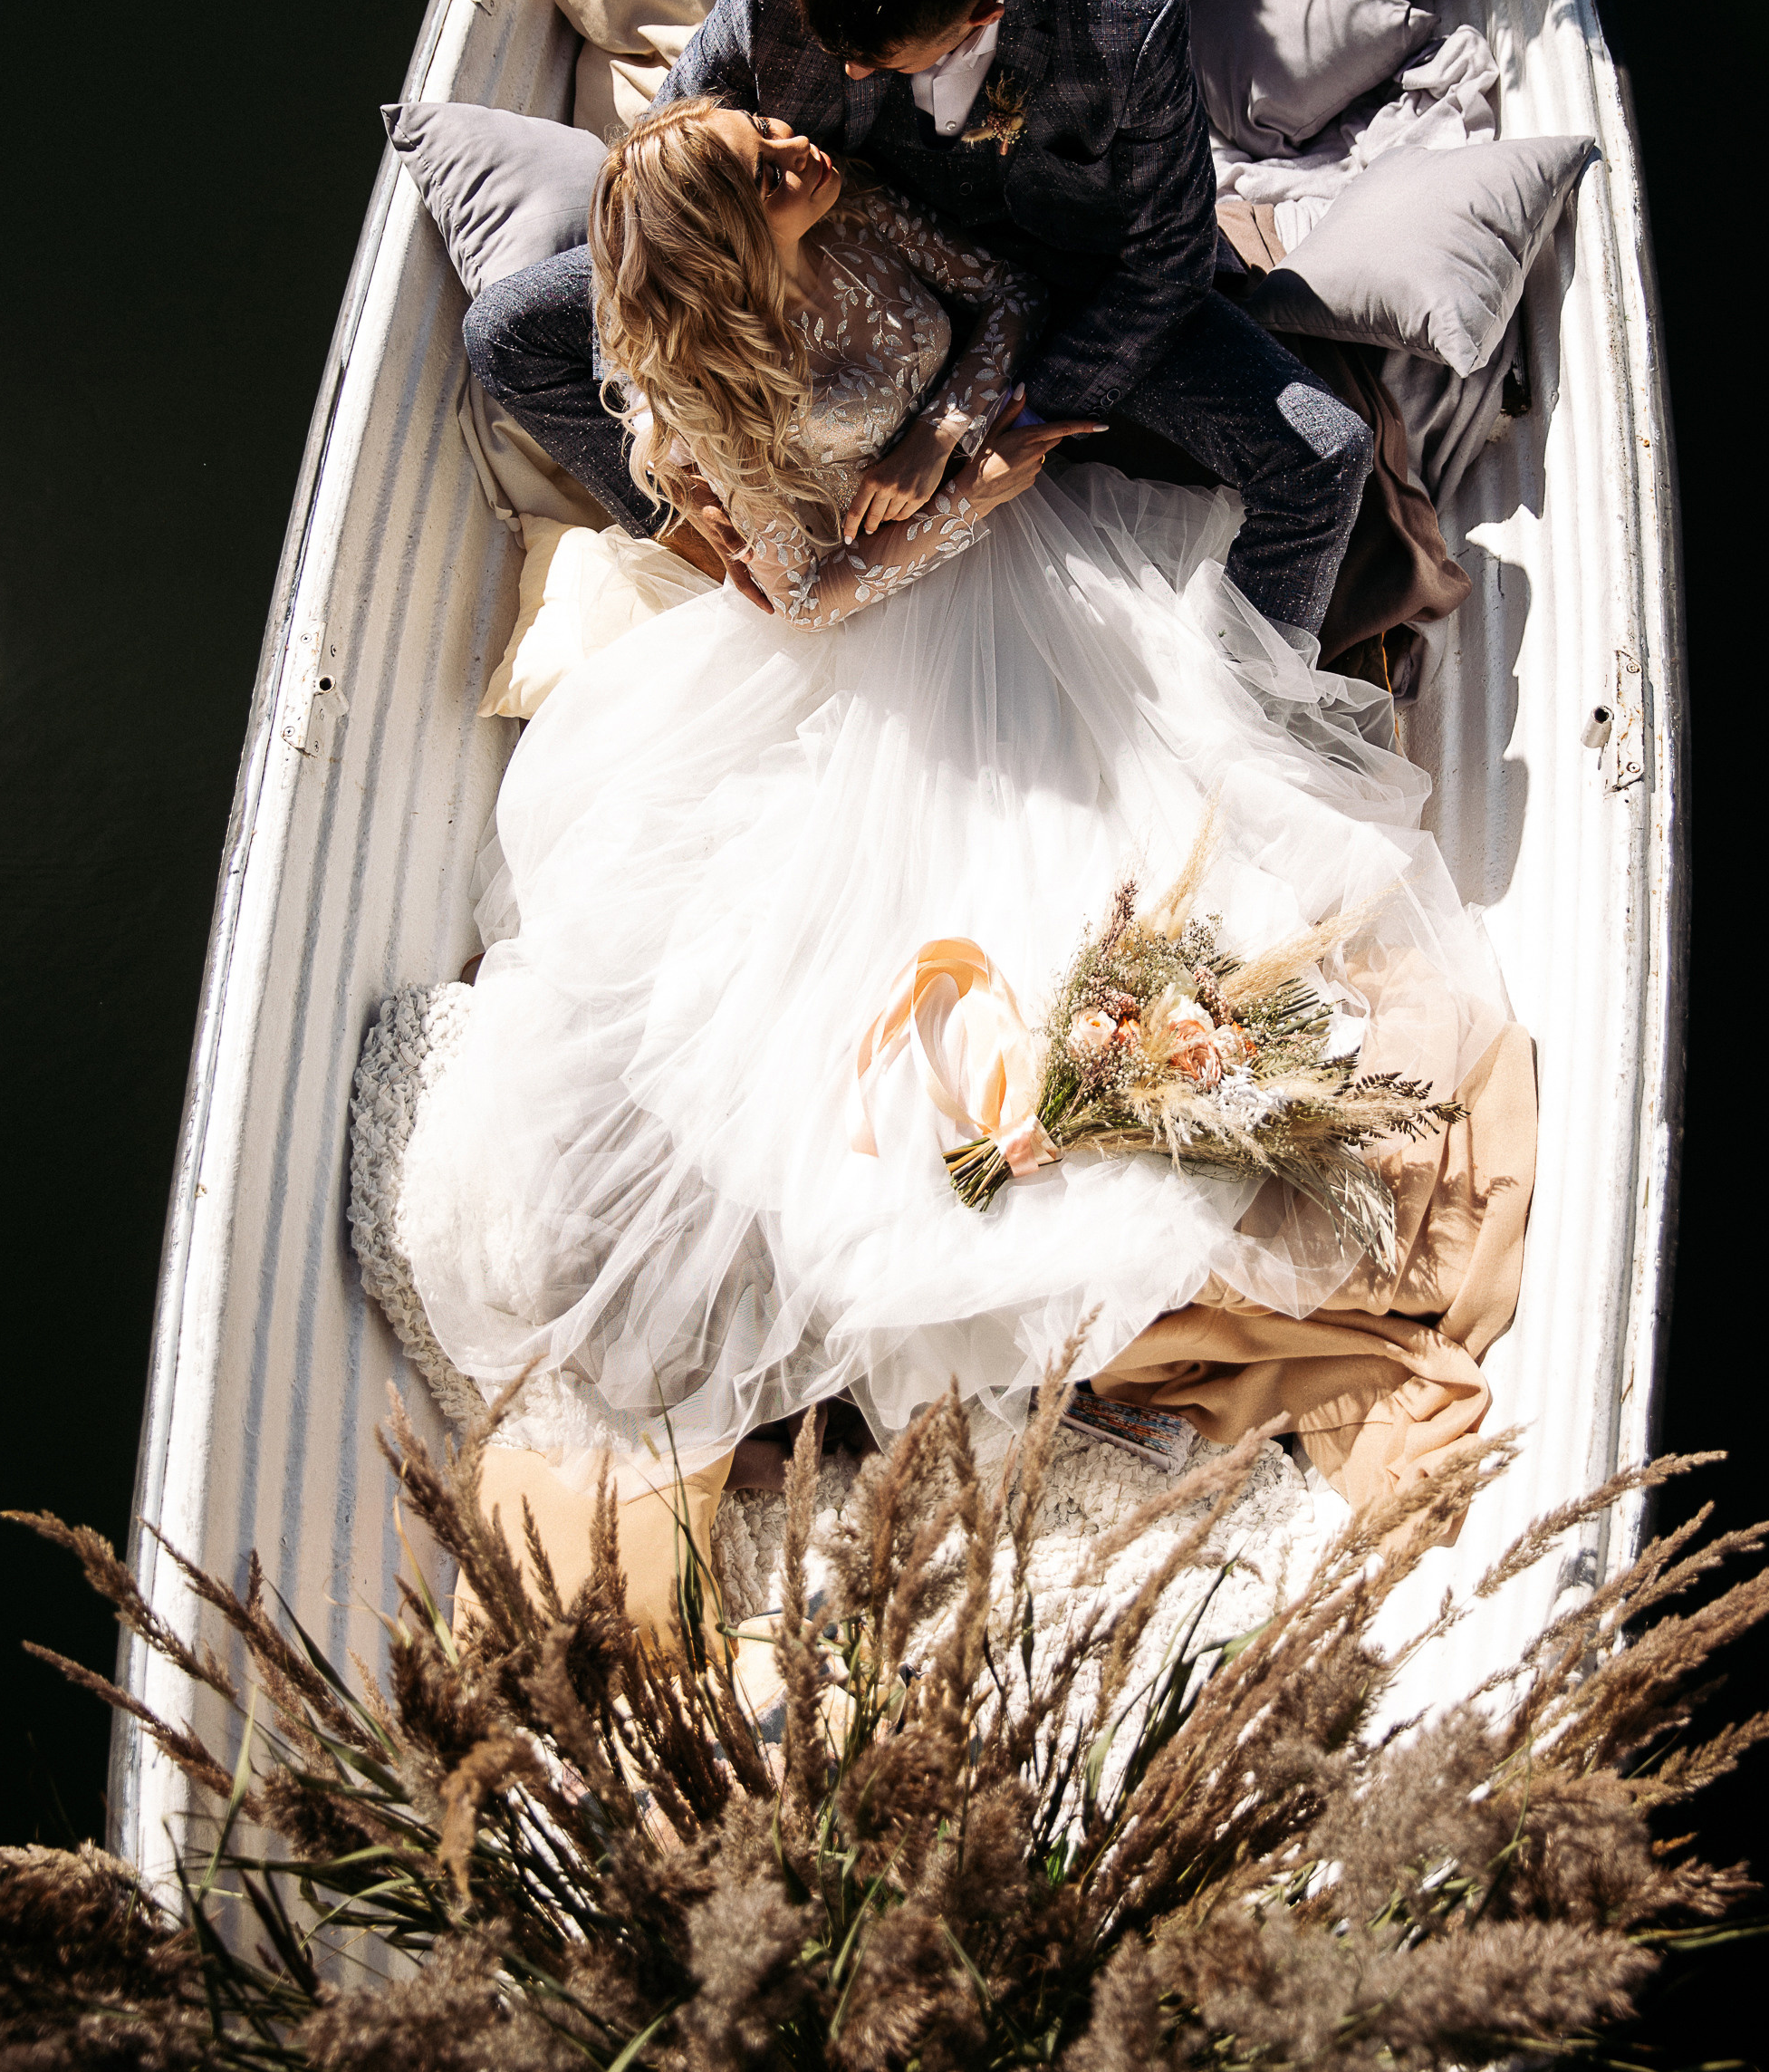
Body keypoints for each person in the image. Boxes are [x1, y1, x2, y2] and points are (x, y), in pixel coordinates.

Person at [400, 99, 1509, 1475]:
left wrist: (957, 432)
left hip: (1022, 519)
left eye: (764, 127)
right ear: (742, 239)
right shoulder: (718, 385)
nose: (795, 146)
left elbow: (998, 298)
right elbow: (808, 592)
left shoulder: (855, 203)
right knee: (932, 906)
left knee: (1170, 779)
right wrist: (961, 504)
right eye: (765, 165)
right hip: (898, 611)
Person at [466, 0, 1371, 638]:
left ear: (980, 14)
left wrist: (979, 426)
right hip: (823, 238)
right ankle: (701, 563)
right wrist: (683, 462)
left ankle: (1251, 713)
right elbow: (647, 204)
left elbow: (1162, 264)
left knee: (1324, 455)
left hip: (1062, 291)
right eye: (835, 47)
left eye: (877, 60)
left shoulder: (1127, 11)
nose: (849, 73)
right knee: (504, 329)